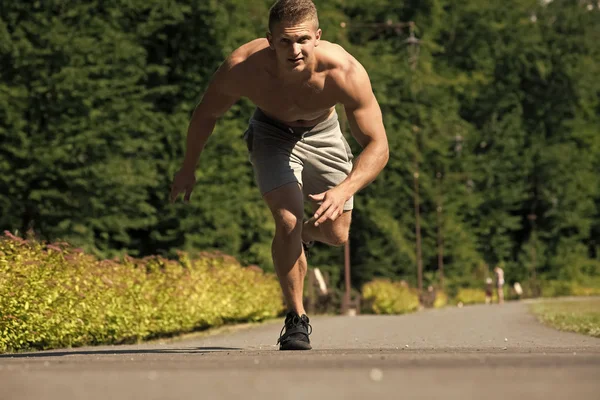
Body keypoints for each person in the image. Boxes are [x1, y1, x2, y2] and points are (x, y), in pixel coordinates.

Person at [169, 0, 389, 350]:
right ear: (269, 39)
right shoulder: (242, 67)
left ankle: (301, 237)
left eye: (302, 39)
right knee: (287, 220)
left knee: (337, 235)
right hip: (271, 132)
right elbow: (205, 115)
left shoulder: (345, 73)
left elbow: (379, 145)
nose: (294, 50)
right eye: (284, 41)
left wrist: (344, 189)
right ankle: (297, 319)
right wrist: (187, 168)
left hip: (324, 132)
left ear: (318, 37)